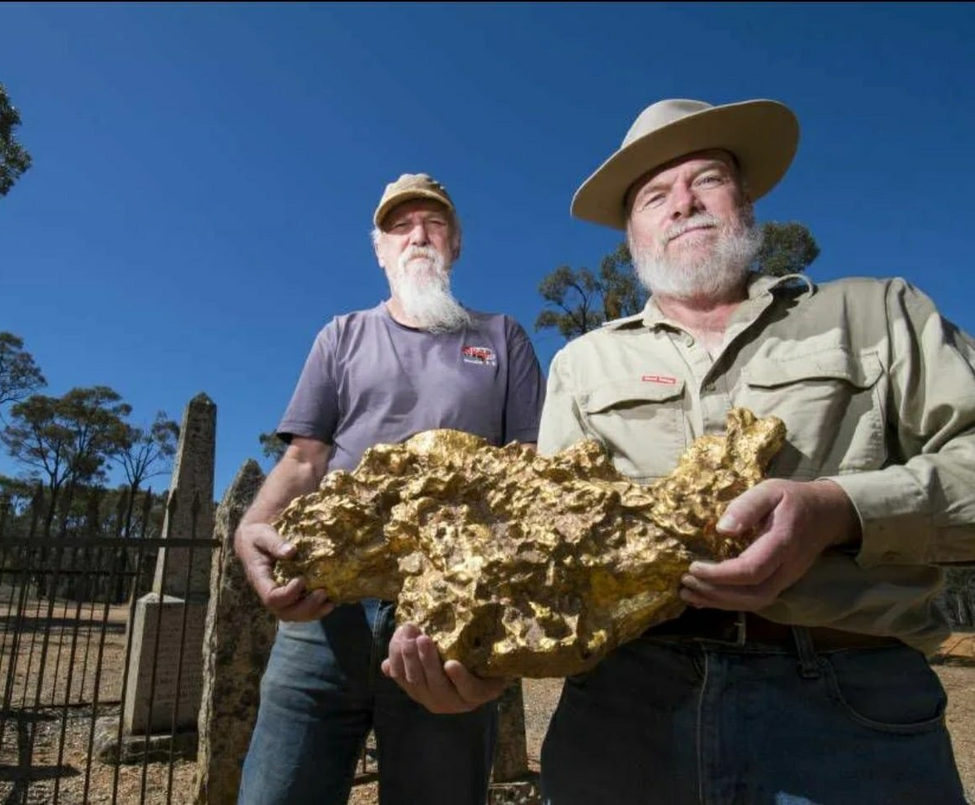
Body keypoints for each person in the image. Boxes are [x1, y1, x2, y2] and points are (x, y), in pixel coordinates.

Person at [537, 98, 973, 803]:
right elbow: (548, 551)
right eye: (654, 195)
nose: (682, 203)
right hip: (625, 714)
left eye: (706, 178)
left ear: (746, 198)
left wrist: (839, 510)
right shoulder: (580, 366)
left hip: (851, 711)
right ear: (632, 233)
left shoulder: (878, 313)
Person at [234, 172, 546, 804]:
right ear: (379, 249)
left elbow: (530, 472)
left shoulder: (502, 339)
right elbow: (304, 457)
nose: (417, 236)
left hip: (447, 621)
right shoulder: (342, 335)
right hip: (326, 612)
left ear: (455, 244)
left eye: (433, 223)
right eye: (399, 226)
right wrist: (249, 528)